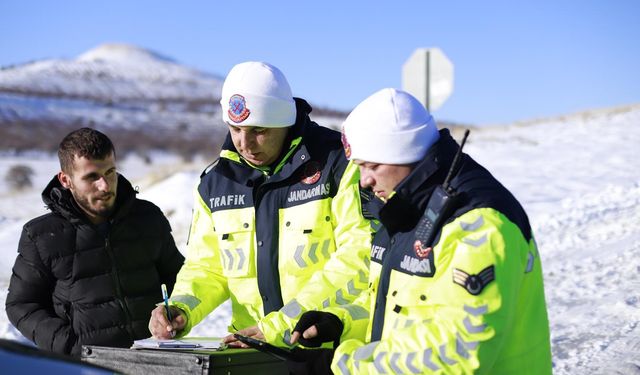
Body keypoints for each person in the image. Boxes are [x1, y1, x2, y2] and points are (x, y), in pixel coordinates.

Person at [290, 88, 552, 374]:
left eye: (372, 165)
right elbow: (391, 306)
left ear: (404, 152)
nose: (364, 181)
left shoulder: (479, 224)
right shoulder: (405, 210)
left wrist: (344, 366)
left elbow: (457, 355)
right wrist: (341, 323)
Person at [148, 61, 372, 353]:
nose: (245, 143)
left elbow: (358, 258)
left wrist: (281, 324)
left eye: (259, 130)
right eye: (235, 128)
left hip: (326, 349)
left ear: (284, 122)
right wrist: (182, 308)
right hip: (250, 353)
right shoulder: (215, 183)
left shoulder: (338, 164)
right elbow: (207, 266)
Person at [5, 127, 185, 357]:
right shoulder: (41, 235)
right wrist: (71, 346)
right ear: (66, 180)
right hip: (88, 367)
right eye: (91, 177)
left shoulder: (148, 217)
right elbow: (21, 305)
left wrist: (174, 315)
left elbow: (180, 279)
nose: (105, 185)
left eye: (110, 172)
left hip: (159, 360)